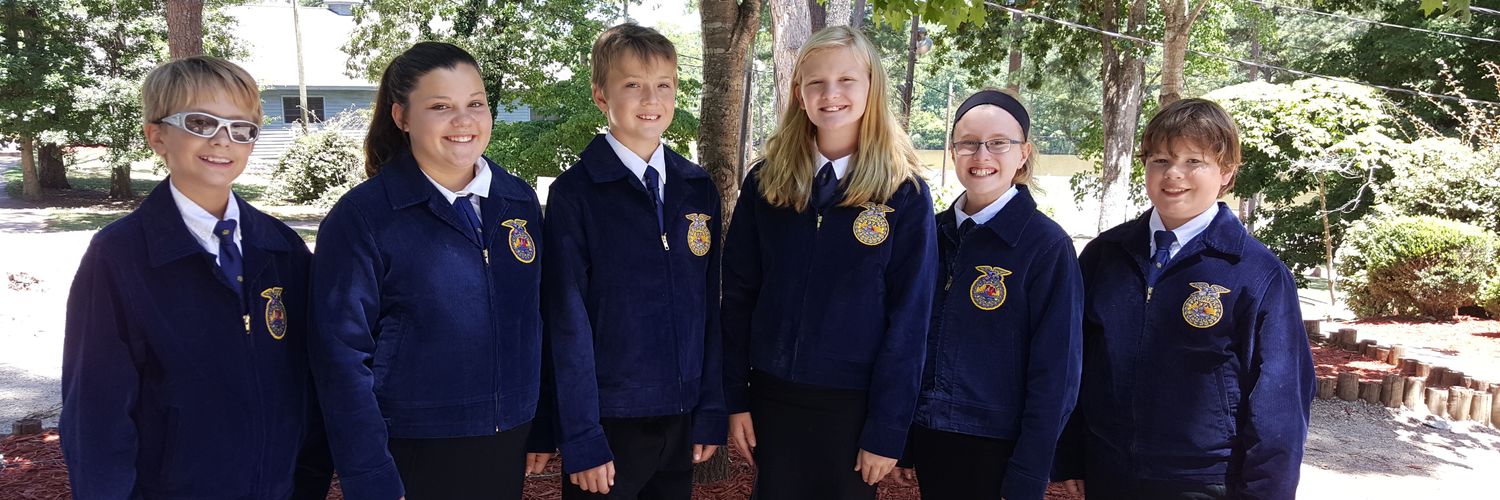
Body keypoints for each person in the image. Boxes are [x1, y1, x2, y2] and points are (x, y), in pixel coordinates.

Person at [60, 56, 319, 498]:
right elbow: (95, 414)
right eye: (201, 122)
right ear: (157, 135)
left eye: (242, 129)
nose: (223, 141)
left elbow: (309, 386)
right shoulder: (118, 257)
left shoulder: (281, 248)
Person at [307, 41, 552, 500]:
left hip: (509, 432)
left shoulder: (518, 202)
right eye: (441, 106)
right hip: (413, 443)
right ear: (401, 117)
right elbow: (339, 356)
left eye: (475, 104)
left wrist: (541, 422)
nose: (464, 121)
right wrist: (367, 470)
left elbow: (537, 319)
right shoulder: (363, 217)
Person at [1053, 98, 1316, 499]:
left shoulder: (1257, 274)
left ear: (1226, 172)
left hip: (1202, 481)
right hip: (1109, 472)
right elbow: (1074, 365)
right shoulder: (1105, 256)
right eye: (1160, 160)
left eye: (1194, 161)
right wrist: (1069, 453)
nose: (1173, 174)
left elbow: (1279, 406)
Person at [720, 25, 937, 500]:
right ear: (798, 93)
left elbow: (910, 322)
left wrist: (887, 428)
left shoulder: (905, 194)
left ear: (871, 88)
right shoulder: (766, 184)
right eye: (815, 82)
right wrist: (734, 398)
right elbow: (737, 296)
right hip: (772, 399)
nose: (830, 94)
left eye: (846, 80)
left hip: (854, 409)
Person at [543, 22, 727, 499]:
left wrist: (709, 409)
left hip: (682, 419)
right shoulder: (576, 194)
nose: (651, 99)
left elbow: (708, 308)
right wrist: (581, 434)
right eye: (633, 85)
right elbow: (567, 322)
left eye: (663, 85)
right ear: (601, 96)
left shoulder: (697, 188)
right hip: (610, 423)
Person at [895, 89, 1083, 500]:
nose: (982, 155)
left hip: (999, 446)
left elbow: (1057, 374)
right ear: (953, 151)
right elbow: (909, 340)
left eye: (999, 143)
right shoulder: (930, 233)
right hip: (931, 434)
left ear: (1023, 153)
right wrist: (904, 440)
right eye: (968, 143)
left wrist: (1032, 470)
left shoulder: (1045, 247)